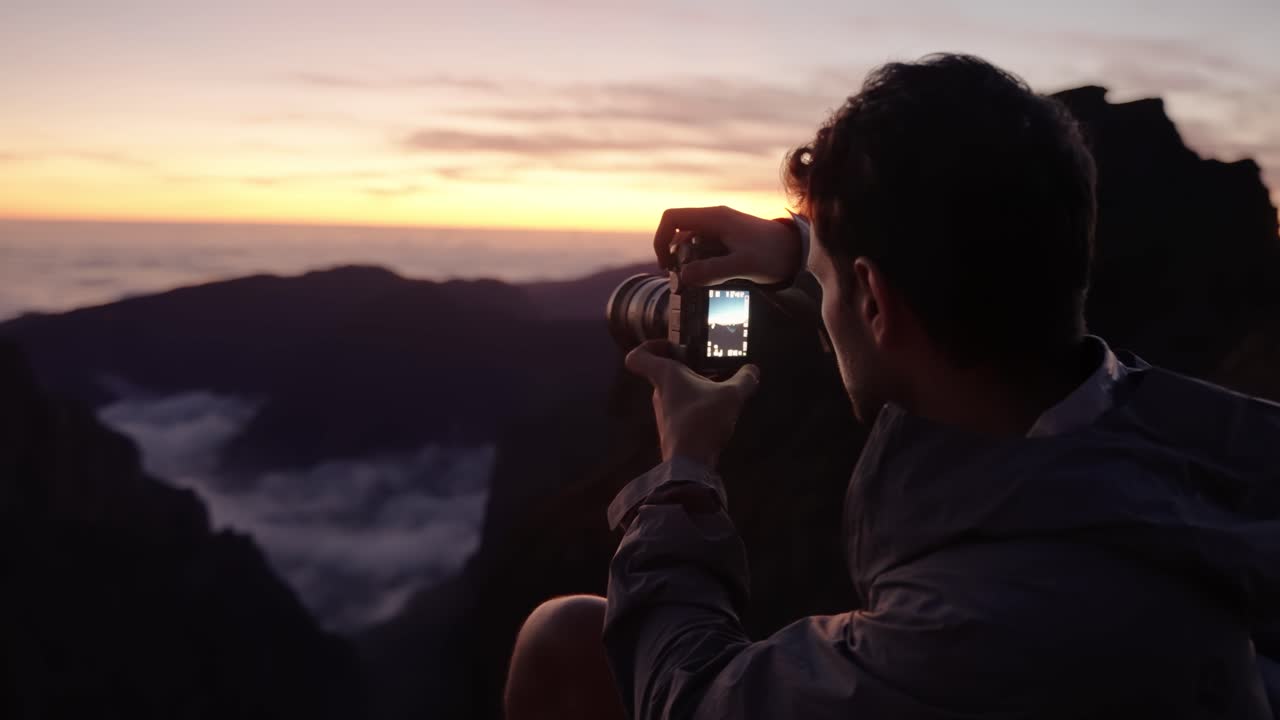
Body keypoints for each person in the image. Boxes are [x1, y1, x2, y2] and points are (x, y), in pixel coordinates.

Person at [504, 53, 1280, 719]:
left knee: (564, 636)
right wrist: (805, 249)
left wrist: (684, 474)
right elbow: (960, 273)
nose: (825, 303)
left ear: (874, 298)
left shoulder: (969, 636)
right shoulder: (1209, 447)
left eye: (833, 286)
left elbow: (693, 699)